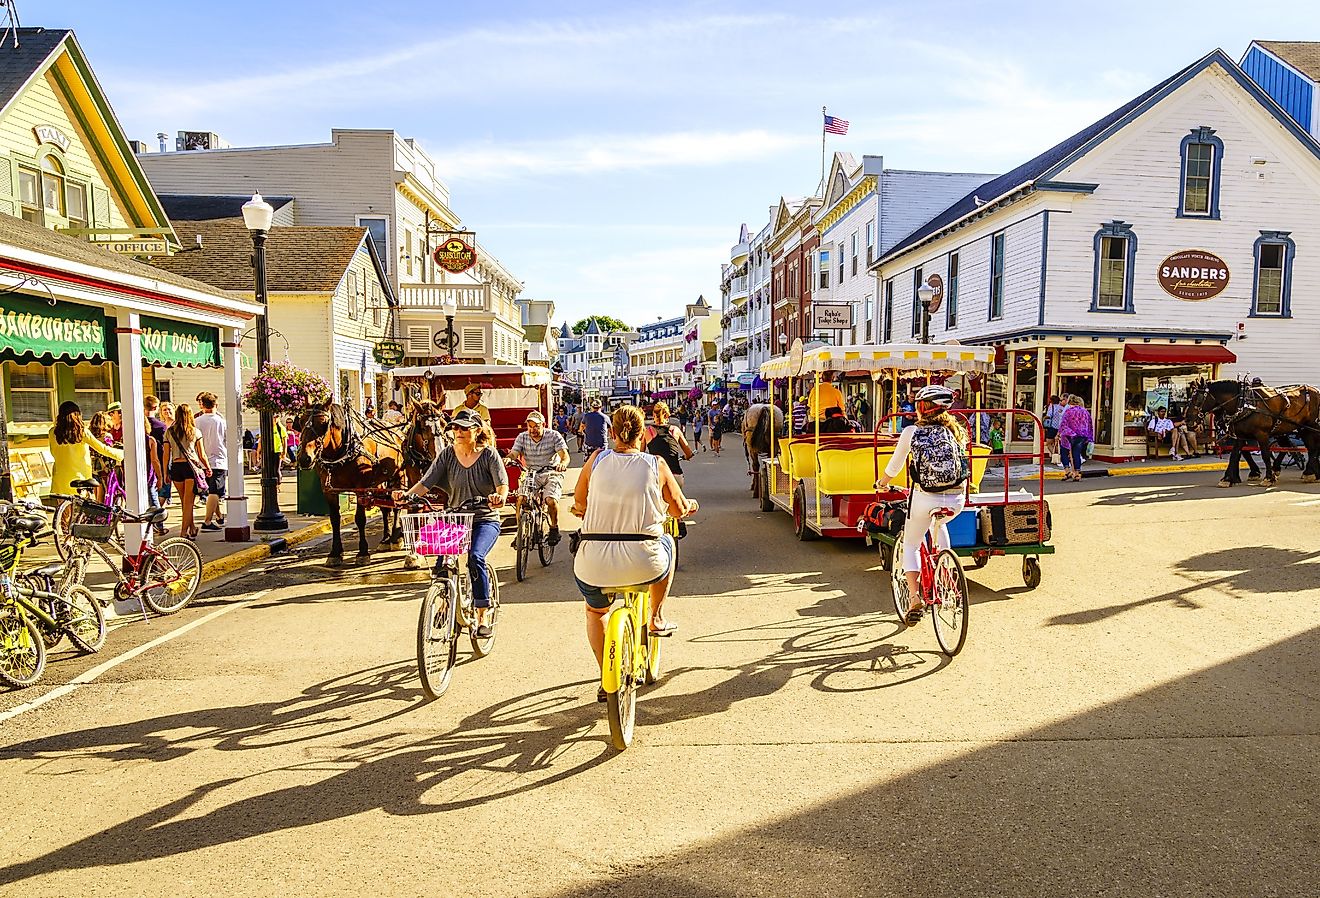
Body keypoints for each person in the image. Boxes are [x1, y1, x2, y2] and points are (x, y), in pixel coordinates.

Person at [571, 405, 698, 701]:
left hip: (595, 563)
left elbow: (579, 504)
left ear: (612, 433)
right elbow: (678, 510)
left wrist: (585, 510)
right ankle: (655, 616)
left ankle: (607, 676)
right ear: (644, 435)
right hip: (645, 562)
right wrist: (689, 506)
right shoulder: (656, 465)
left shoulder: (595, 460)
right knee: (667, 541)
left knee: (596, 611)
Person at [393, 408, 507, 638]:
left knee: (476, 558)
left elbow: (501, 485)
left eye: (464, 427)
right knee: (443, 563)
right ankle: (445, 602)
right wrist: (407, 495)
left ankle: (482, 615)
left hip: (484, 518)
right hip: (455, 516)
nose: (458, 431)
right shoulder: (446, 454)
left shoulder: (489, 455)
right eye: (455, 427)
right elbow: (426, 483)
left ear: (477, 430)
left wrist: (499, 497)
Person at [876, 385, 969, 626]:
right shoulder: (956, 431)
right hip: (958, 498)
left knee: (911, 544)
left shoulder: (911, 432)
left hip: (925, 496)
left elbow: (894, 467)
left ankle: (915, 598)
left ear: (921, 408)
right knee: (940, 524)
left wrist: (882, 483)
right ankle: (946, 570)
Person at [508, 410, 569, 546]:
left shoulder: (554, 436)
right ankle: (520, 533)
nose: (533, 429)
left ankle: (554, 528)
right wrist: (508, 459)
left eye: (536, 426)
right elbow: (514, 453)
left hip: (551, 472)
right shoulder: (522, 437)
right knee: (521, 499)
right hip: (531, 473)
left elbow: (564, 455)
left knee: (550, 500)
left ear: (543, 425)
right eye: (530, 426)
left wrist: (562, 464)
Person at [48, 401, 124, 497]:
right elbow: (102, 448)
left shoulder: (52, 432)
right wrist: (121, 454)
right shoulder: (81, 432)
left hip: (59, 479)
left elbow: (53, 452)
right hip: (81, 479)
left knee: (64, 509)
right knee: (83, 508)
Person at [162, 403, 210, 539]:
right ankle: (183, 532)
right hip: (190, 468)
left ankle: (192, 527)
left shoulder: (169, 432)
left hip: (176, 467)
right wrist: (207, 468)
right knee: (189, 502)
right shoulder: (195, 432)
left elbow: (166, 454)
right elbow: (202, 454)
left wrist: (166, 472)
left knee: (184, 501)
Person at [193, 392, 228, 532]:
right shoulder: (221, 421)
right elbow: (227, 439)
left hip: (201, 460)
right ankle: (207, 521)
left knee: (212, 490)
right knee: (215, 491)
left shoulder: (197, 422)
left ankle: (219, 516)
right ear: (216, 405)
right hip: (218, 459)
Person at [1058, 395, 1094, 482]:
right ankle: (1077, 473)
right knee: (1076, 454)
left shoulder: (1068, 411)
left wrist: (1060, 433)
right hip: (1081, 435)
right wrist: (1090, 438)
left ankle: (1067, 471)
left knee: (1064, 452)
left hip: (1068, 435)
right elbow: (1090, 425)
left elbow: (1063, 424)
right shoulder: (1085, 412)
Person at [157, 402, 176, 504]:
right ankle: (167, 496)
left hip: (175, 454)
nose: (167, 411)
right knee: (166, 475)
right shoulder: (161, 425)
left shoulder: (176, 424)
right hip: (164, 454)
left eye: (169, 409)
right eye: (164, 410)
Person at [1043, 395, 1065, 464]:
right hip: (1061, 428)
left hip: (1052, 427)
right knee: (1057, 443)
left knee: (1049, 443)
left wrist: (1043, 418)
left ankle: (1054, 456)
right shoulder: (1061, 408)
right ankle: (1059, 457)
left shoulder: (1051, 407)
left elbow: (1048, 416)